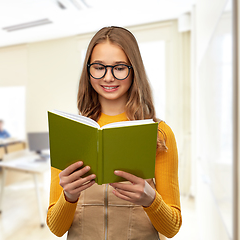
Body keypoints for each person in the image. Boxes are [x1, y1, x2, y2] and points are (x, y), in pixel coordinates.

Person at [46, 27, 181, 239]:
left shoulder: (159, 134)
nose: (108, 78)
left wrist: (150, 199)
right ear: (88, 70)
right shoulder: (70, 132)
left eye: (119, 68)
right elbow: (56, 228)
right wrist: (69, 196)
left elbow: (171, 228)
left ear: (133, 69)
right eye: (99, 67)